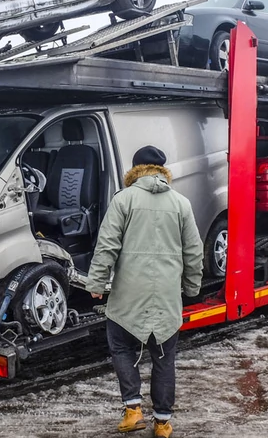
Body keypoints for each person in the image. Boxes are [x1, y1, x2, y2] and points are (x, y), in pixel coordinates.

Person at [86, 145, 203, 437]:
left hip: (128, 296)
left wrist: (97, 283)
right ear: (163, 171)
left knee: (121, 346)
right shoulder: (181, 203)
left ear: (135, 170)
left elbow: (107, 245)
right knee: (164, 358)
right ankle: (162, 423)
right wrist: (191, 287)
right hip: (166, 297)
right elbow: (194, 251)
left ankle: (132, 409)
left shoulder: (123, 200)